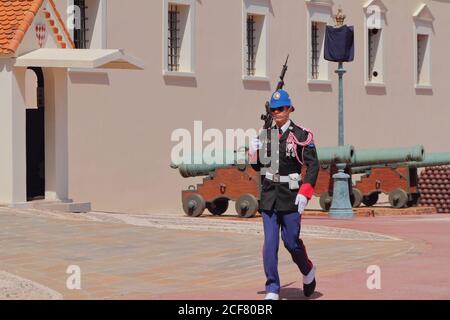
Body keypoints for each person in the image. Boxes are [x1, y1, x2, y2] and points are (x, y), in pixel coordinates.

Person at [250, 89, 320, 300]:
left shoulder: (301, 135)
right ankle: (272, 287)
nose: (277, 112)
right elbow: (259, 167)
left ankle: (308, 270)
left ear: (290, 109)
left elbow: (313, 165)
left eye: (281, 108)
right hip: (270, 195)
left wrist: (305, 192)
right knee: (270, 244)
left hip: (291, 196)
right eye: (274, 109)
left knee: (291, 242)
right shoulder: (266, 134)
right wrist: (253, 153)